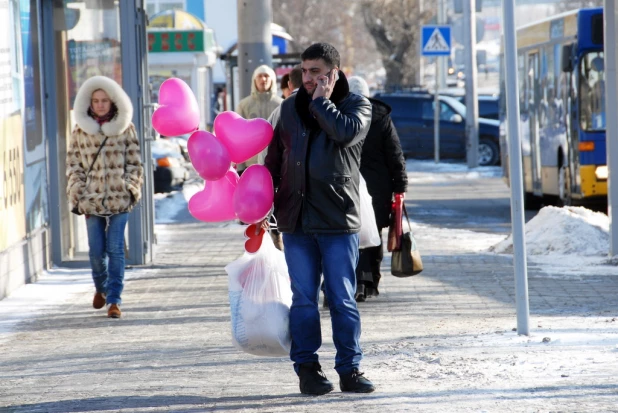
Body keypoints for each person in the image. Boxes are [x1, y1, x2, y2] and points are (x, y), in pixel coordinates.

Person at [262, 43, 375, 395]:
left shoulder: (357, 105)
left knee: (341, 297)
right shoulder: (289, 108)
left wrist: (321, 102)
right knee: (304, 299)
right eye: (304, 70)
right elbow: (275, 161)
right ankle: (308, 369)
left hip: (338, 220)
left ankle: (349, 370)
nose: (307, 78)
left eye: (315, 72)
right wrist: (263, 203)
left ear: (334, 73)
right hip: (296, 220)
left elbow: (344, 133)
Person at [66, 76, 144, 319]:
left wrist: (130, 187)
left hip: (119, 198)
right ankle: (101, 288)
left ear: (113, 102)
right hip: (91, 199)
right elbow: (73, 164)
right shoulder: (80, 130)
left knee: (116, 249)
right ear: (89, 103)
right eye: (96, 100)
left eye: (105, 100)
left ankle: (114, 300)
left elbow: (135, 163)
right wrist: (79, 189)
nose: (100, 105)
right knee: (96, 251)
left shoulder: (126, 128)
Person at [347, 76, 408, 302]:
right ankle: (369, 281)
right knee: (373, 235)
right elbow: (395, 154)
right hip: (378, 189)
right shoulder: (381, 117)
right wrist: (400, 186)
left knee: (349, 234)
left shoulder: (341, 115)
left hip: (348, 185)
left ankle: (354, 280)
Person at [235, 64, 283, 173]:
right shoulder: (244, 105)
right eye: (259, 76)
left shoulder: (281, 105)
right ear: (254, 80)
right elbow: (238, 137)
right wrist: (241, 167)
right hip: (250, 164)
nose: (263, 79)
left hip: (276, 164)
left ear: (273, 79)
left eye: (266, 76)